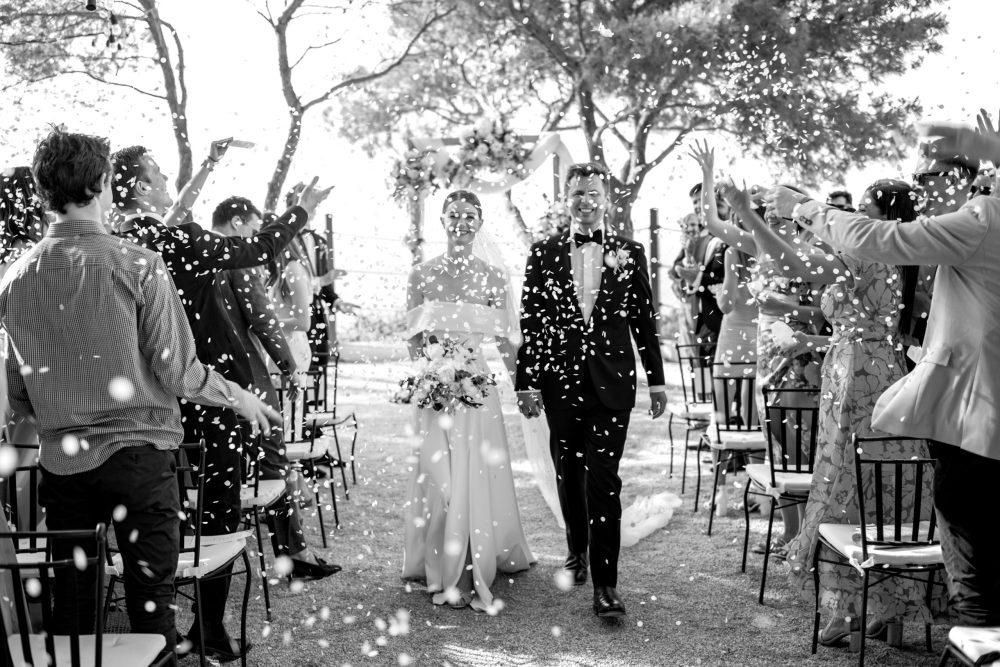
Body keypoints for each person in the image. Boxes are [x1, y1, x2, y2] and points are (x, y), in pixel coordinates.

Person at [0, 128, 280, 663]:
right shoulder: (136, 263)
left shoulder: (15, 277)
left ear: (42, 190)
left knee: (75, 614)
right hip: (140, 460)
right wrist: (239, 397)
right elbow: (178, 371)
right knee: (151, 611)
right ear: (104, 183)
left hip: (63, 465)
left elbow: (20, 392)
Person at [767, 120, 1000, 626]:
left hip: (973, 419)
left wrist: (801, 207)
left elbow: (872, 238)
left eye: (929, 172)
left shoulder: (982, 218)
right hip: (929, 394)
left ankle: (973, 634)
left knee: (974, 567)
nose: (919, 182)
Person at [111, 141, 326, 661]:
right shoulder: (173, 240)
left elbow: (178, 210)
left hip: (162, 396)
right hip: (216, 395)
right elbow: (253, 249)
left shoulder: (129, 238)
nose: (168, 181)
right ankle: (209, 629)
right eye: (159, 172)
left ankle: (162, 632)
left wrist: (205, 166)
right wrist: (299, 212)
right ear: (142, 187)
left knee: (170, 517)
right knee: (218, 518)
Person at [516, 162, 667, 619]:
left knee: (604, 480)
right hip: (560, 381)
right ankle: (575, 549)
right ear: (567, 200)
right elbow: (531, 322)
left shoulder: (631, 251)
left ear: (607, 200)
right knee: (569, 473)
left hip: (612, 384)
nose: (584, 200)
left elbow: (643, 320)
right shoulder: (542, 253)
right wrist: (527, 381)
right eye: (576, 193)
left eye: (592, 193)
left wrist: (656, 379)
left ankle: (606, 586)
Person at [401, 189, 534, 612]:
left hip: (478, 390)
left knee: (474, 474)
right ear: (442, 220)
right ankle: (442, 560)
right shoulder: (420, 275)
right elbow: (414, 339)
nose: (461, 223)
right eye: (453, 215)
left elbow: (507, 342)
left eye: (469, 216)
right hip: (435, 394)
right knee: (440, 475)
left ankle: (473, 558)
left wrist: (522, 387)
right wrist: (431, 372)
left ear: (480, 223)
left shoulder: (495, 277)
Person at [212, 196, 340, 580]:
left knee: (224, 467)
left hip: (204, 378)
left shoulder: (194, 253)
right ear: (238, 222)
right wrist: (290, 367)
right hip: (248, 373)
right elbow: (262, 317)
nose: (255, 237)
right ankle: (293, 554)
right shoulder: (238, 254)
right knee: (273, 461)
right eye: (252, 227)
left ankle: (221, 556)